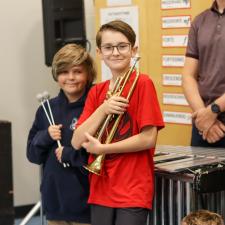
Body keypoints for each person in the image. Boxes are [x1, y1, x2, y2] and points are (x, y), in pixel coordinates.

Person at [72, 20, 164, 225]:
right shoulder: (97, 91)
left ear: (134, 50)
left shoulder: (143, 83)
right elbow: (76, 141)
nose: (115, 52)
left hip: (133, 187)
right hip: (100, 186)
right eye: (108, 47)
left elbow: (149, 138)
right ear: (99, 52)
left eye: (122, 46)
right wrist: (103, 109)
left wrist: (103, 147)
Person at [27, 43, 96, 225]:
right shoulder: (46, 109)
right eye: (64, 72)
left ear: (88, 74)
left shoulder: (96, 108)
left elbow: (100, 156)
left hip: (87, 204)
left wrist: (71, 155)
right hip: (55, 203)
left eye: (77, 71)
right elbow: (32, 155)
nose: (70, 78)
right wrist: (45, 136)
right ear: (56, 75)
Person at [182, 0, 225, 147]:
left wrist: (214, 109)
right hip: (203, 124)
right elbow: (188, 76)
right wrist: (203, 114)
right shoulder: (200, 20)